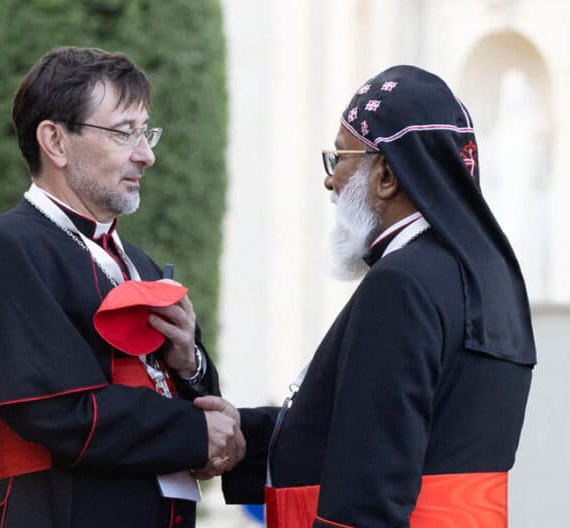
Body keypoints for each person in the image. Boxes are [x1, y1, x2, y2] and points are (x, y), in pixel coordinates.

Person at [199, 65, 535, 527]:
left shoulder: (402, 284)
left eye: (340, 156)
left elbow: (369, 490)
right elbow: (397, 431)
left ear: (386, 176)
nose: (330, 181)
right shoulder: (490, 275)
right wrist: (244, 432)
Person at [0, 46, 244, 528]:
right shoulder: (6, 249)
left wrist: (192, 365)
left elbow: (184, 394)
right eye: (124, 133)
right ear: (54, 140)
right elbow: (56, 411)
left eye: (146, 131)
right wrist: (196, 432)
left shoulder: (137, 262)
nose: (147, 154)